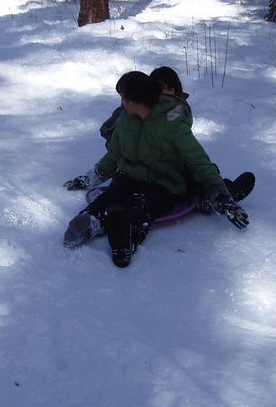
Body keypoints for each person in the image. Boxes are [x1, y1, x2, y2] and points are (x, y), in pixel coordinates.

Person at [64, 71, 249, 267]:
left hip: (164, 180)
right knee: (111, 196)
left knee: (141, 204)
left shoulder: (172, 124)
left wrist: (221, 196)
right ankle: (91, 220)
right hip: (130, 174)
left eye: (123, 97)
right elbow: (113, 155)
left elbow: (199, 162)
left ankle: (129, 235)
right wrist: (90, 177)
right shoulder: (125, 120)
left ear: (134, 99)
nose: (122, 102)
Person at [100, 66, 254, 207]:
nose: (166, 93)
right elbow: (111, 134)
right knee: (184, 177)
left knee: (201, 169)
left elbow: (181, 140)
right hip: (141, 166)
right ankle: (205, 196)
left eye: (170, 89)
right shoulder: (131, 111)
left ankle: (219, 194)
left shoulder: (175, 111)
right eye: (159, 89)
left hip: (168, 160)